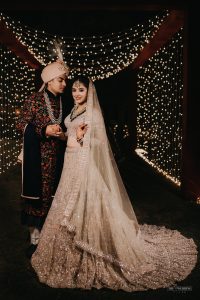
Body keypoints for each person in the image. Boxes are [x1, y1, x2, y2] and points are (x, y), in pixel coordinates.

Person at [31, 76, 197, 291]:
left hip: (83, 166)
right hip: (70, 164)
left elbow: (100, 143)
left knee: (87, 205)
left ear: (89, 92)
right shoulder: (73, 110)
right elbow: (71, 135)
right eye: (74, 90)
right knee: (66, 204)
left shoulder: (92, 113)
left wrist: (82, 138)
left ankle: (93, 243)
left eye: (81, 90)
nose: (77, 93)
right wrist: (65, 134)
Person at [16, 60, 71, 258]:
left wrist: (62, 133)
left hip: (57, 157)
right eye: (60, 80)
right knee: (36, 194)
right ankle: (34, 239)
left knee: (53, 195)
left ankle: (50, 236)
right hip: (37, 157)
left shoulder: (65, 102)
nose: (64, 84)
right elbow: (21, 124)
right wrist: (43, 130)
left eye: (65, 80)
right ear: (48, 81)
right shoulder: (34, 99)